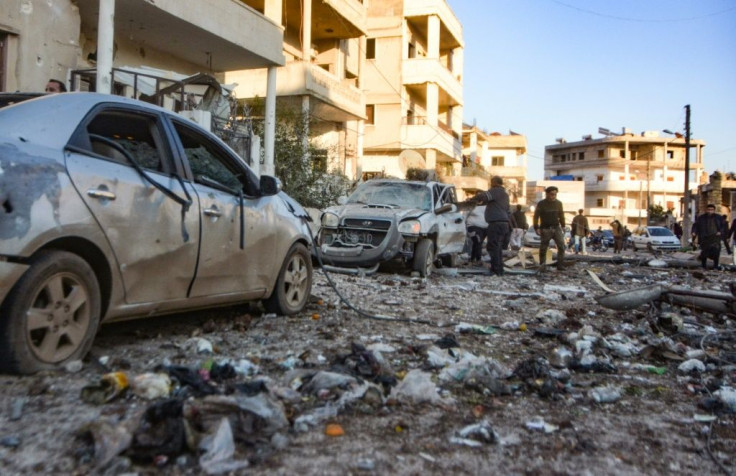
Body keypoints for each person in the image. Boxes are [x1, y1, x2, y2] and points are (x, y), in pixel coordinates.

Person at [475, 176, 510, 276]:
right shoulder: (505, 194)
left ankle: (495, 269)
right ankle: (499, 269)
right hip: (503, 223)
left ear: (495, 182)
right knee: (497, 247)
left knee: (493, 246)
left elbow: (483, 196)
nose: (490, 184)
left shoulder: (495, 191)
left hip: (496, 223)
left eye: (491, 182)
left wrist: (471, 200)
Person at [533, 186, 566, 270]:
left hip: (556, 227)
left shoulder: (559, 203)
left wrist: (563, 226)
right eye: (552, 194)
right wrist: (536, 227)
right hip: (545, 228)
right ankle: (542, 265)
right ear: (547, 194)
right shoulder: (541, 203)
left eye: (555, 194)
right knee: (543, 248)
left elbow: (561, 215)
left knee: (561, 246)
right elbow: (536, 216)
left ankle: (560, 265)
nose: (553, 196)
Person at [692, 204, 725, 270]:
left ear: (714, 210)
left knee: (716, 251)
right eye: (709, 210)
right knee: (704, 252)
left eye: (711, 210)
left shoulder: (718, 217)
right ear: (706, 210)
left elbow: (723, 226)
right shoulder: (701, 218)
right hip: (704, 238)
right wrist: (694, 232)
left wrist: (720, 232)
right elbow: (696, 225)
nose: (710, 211)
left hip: (715, 238)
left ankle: (715, 266)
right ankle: (703, 266)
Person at [465, 197, 487, 265]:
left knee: (477, 243)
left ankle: (472, 258)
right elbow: (464, 216)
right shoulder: (471, 206)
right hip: (473, 226)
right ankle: (478, 259)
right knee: (478, 241)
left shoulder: (487, 206)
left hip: (485, 228)